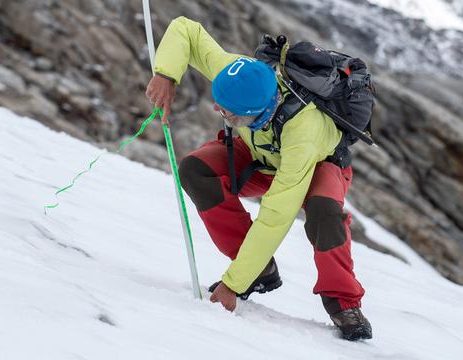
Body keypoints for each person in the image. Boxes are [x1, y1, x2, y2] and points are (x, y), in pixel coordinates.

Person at [146, 16, 372, 341]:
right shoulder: (239, 77)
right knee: (196, 170)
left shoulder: (303, 131)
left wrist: (232, 284)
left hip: (318, 165)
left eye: (230, 114)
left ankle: (342, 302)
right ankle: (260, 270)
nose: (220, 114)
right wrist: (166, 74)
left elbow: (275, 217)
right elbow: (186, 29)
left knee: (324, 214)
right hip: (262, 155)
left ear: (260, 111)